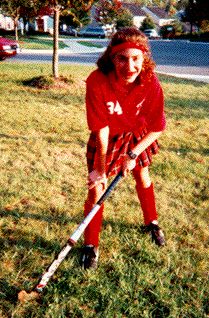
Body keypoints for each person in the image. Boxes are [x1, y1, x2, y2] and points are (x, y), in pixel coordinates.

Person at [80, 27, 166, 270]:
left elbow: (157, 127)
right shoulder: (97, 80)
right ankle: (90, 245)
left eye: (136, 59)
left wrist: (133, 153)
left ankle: (152, 222)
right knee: (97, 189)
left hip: (139, 136)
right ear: (111, 58)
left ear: (144, 59)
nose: (130, 67)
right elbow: (102, 129)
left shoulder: (150, 81)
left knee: (142, 175)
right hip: (108, 136)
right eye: (122, 58)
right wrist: (101, 168)